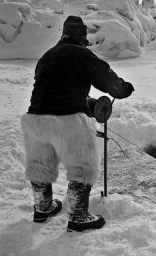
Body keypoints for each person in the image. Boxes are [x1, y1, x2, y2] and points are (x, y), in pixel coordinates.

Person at [20, 15, 134, 232]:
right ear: (82, 38)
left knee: (40, 166)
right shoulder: (80, 53)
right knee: (83, 166)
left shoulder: (47, 56)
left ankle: (43, 207)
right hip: (67, 121)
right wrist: (123, 88)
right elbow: (107, 79)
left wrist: (88, 104)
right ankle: (78, 215)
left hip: (35, 120)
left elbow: (59, 89)